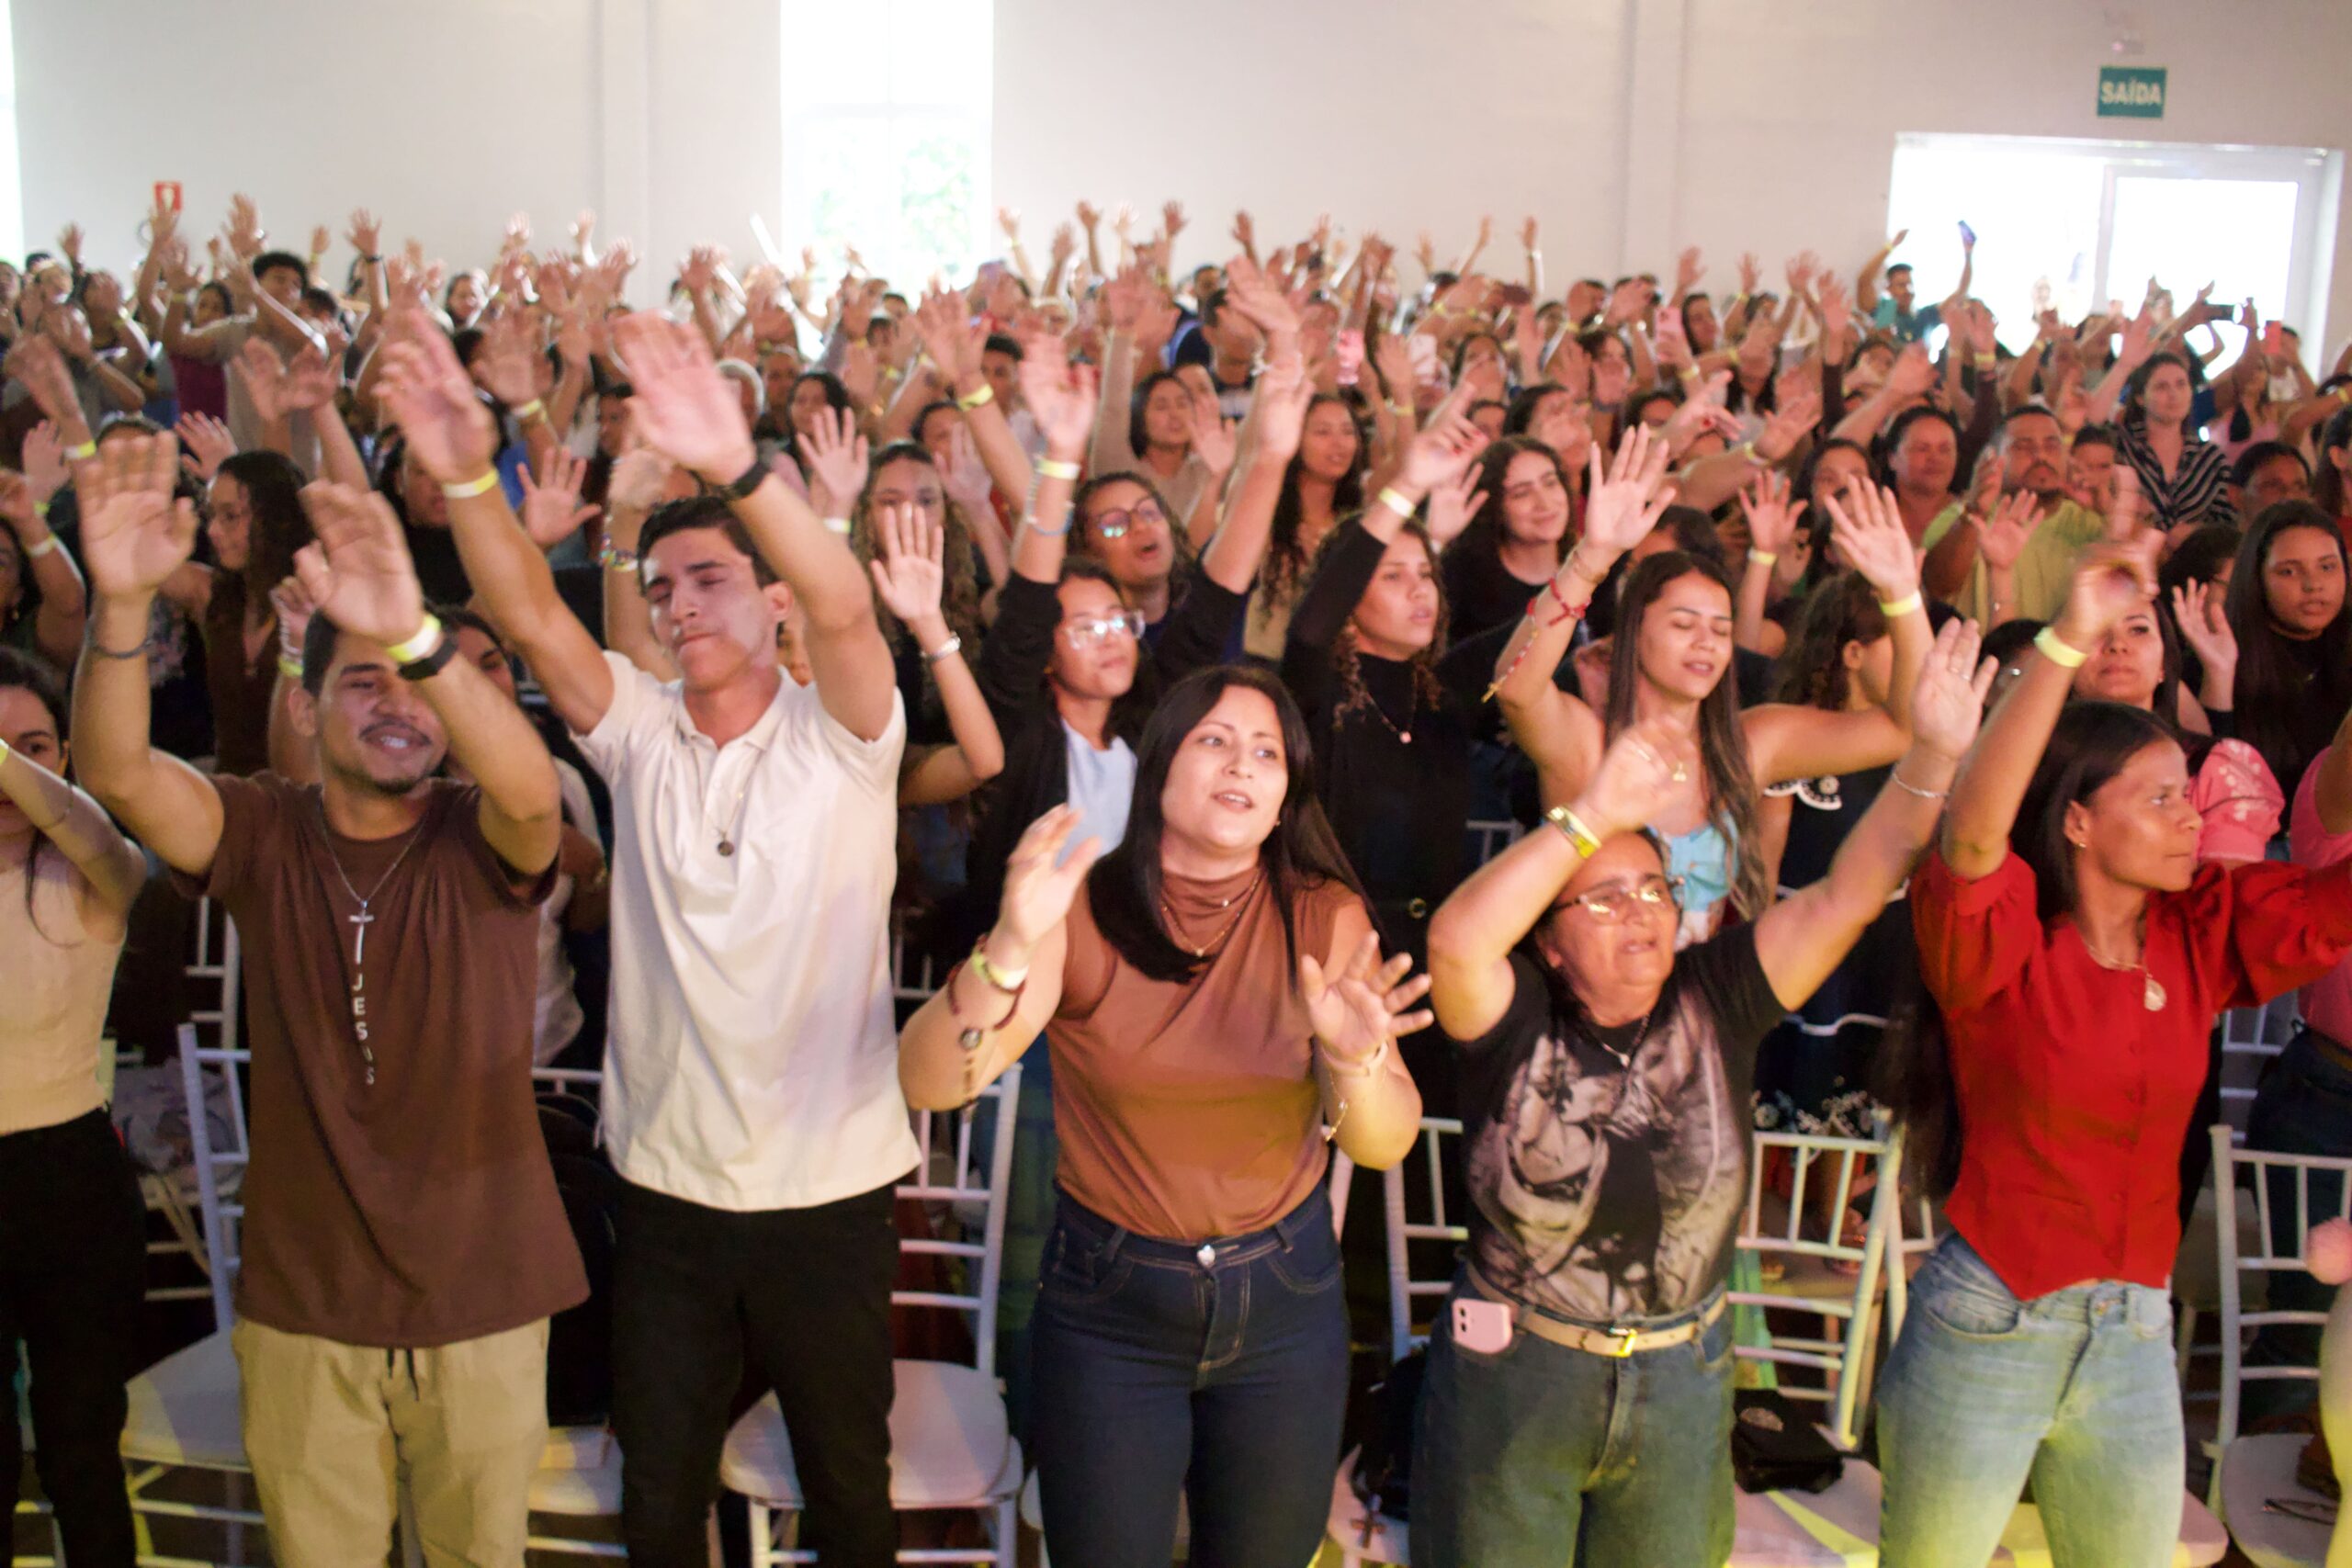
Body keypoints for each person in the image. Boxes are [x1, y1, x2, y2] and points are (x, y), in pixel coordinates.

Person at [380, 302, 912, 1567]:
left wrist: (736, 462)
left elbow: (846, 606)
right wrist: (470, 473)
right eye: (660, 587)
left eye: (709, 578)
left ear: (772, 599)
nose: (677, 606)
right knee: (660, 1492)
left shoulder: (846, 736)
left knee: (849, 1488)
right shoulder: (638, 728)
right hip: (666, 1189)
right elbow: (530, 613)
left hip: (828, 1190)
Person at [69, 434, 585, 1565]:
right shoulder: (263, 828)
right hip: (306, 1307)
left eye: (416, 684)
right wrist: (123, 605)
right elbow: (115, 775)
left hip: (486, 1297)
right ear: (304, 709)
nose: (399, 704)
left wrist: (414, 634)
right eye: (362, 680)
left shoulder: (479, 829)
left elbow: (530, 794)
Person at [1409, 616, 1994, 1566]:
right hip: (1519, 1371)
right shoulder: (1512, 1013)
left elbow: (1848, 892)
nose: (1640, 912)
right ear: (1548, 940)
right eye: (1604, 898)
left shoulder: (1715, 993)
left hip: (1682, 1374)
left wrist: (1931, 755)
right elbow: (1457, 939)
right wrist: (1591, 811)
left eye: (1654, 890)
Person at [1873, 536, 2352, 1567]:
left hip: (2134, 1336)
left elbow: (2328, 905)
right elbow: (1972, 835)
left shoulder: (2197, 929)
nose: (2192, 820)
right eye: (2162, 798)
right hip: (1988, 1322)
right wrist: (2065, 638)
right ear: (2080, 822)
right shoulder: (2001, 945)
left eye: (2188, 793)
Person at [897, 664, 1428, 1568]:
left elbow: (1383, 1143)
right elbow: (929, 1080)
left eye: (1266, 752)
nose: (1242, 764)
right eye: (1215, 740)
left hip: (1284, 1303)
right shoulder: (1081, 907)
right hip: (1111, 1307)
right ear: (1160, 767)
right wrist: (1012, 947)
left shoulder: (1323, 914)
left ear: (1284, 796)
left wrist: (1353, 1061)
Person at [1496, 427, 1932, 943]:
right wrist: (1591, 556)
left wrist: (1903, 595)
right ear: (1634, 632)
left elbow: (1903, 728)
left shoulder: (1751, 743)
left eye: (1721, 630)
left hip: (1701, 986)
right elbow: (1514, 687)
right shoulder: (1583, 743)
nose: (1706, 642)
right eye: (1684, 624)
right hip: (1588, 985)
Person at [0, 648, 147, 1568]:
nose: (14, 770)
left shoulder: (92, 870)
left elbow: (88, 828)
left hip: (68, 1180)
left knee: (81, 1450)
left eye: (34, 745)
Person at [2224, 501, 2352, 798]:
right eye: (2289, 572)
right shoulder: (2222, 660)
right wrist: (2218, 676)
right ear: (2257, 578)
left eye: (2327, 567)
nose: (2313, 585)